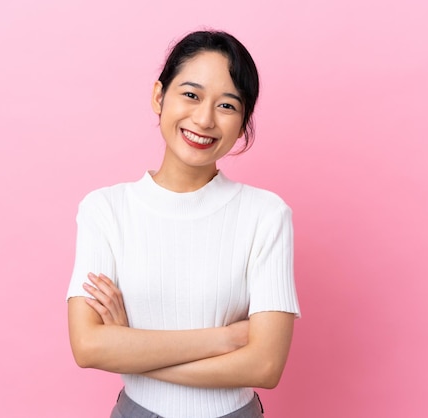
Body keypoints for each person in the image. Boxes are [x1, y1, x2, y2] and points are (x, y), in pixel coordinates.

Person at [67, 30, 300, 418]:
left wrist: (130, 350)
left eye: (227, 105)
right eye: (190, 95)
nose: (204, 119)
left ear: (244, 121)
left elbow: (265, 366)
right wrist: (226, 338)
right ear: (159, 96)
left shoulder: (267, 214)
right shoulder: (105, 209)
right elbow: (88, 347)